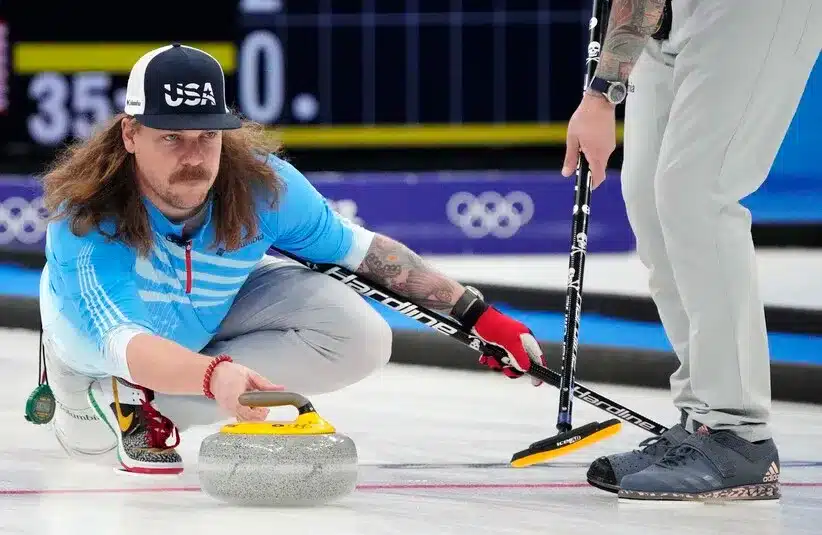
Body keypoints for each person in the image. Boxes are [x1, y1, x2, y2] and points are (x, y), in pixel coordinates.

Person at [37, 43, 546, 474]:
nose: (193, 157)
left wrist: (477, 315)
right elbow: (125, 341)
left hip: (201, 318)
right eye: (171, 137)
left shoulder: (264, 186)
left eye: (208, 135)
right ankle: (104, 391)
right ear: (130, 134)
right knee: (93, 447)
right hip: (105, 353)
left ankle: (161, 404)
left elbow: (365, 253)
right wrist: (214, 376)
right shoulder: (87, 218)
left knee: (359, 336)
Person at [565, 0, 821, 500]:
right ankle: (700, 420)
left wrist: (602, 92)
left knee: (696, 194)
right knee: (648, 198)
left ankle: (737, 432)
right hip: (669, 14)